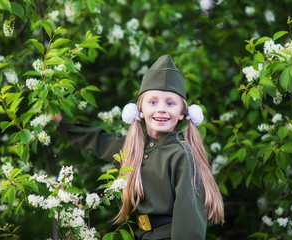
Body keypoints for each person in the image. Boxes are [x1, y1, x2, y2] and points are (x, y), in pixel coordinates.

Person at [50, 55, 224, 239]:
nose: (161, 109)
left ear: (183, 113)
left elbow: (189, 222)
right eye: (153, 102)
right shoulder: (135, 149)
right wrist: (62, 124)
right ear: (139, 111)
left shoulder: (182, 155)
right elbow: (99, 141)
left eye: (170, 103)